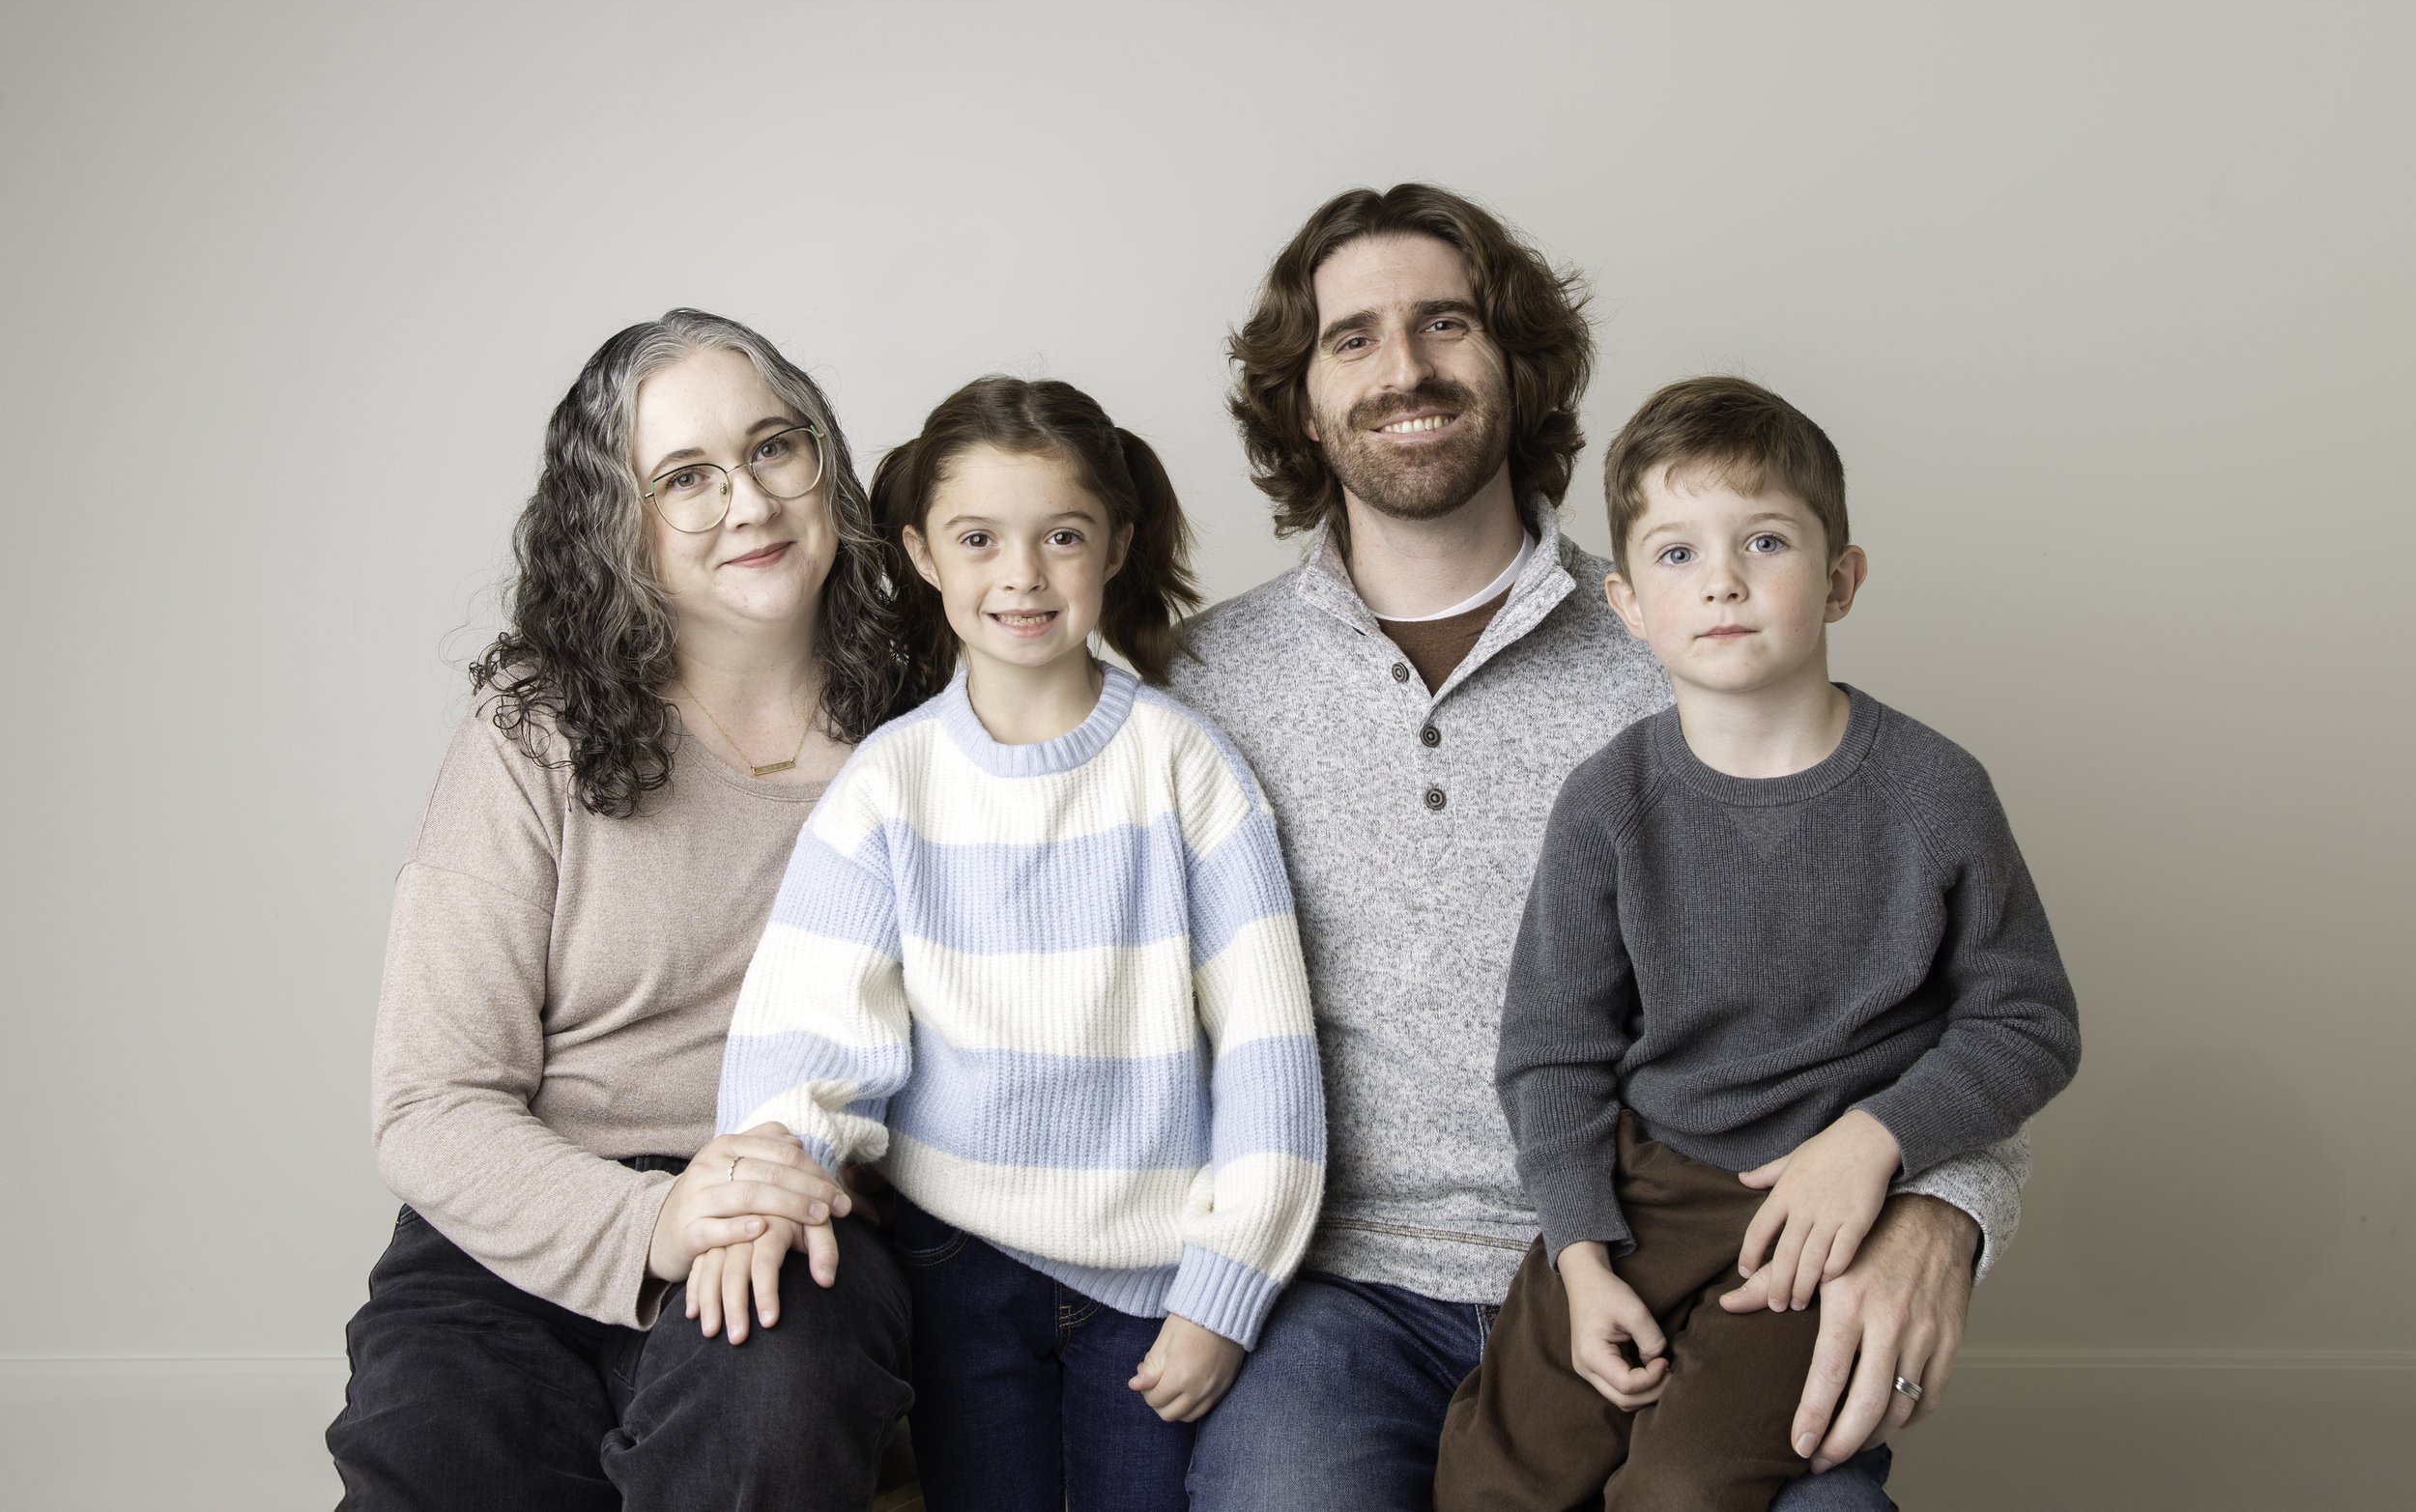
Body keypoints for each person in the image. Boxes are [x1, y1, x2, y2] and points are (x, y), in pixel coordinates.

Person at [1166, 185, 2033, 1512]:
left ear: (1520, 361)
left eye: (1446, 323)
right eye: (1352, 339)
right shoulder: (1210, 683)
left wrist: (1948, 1214)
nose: (1404, 367)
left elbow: (1940, 1000)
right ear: (1300, 400)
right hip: (1335, 1293)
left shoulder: (1693, 637)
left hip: (1696, 1267)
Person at [1431, 376, 2084, 1510]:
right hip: (1639, 1195)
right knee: (1492, 1478)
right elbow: (1550, 1047)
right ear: (1628, 605)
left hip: (1818, 1220)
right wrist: (1580, 1252)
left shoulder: (1932, 792)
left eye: (1764, 540)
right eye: (1677, 554)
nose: (1722, 579)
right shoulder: (1609, 799)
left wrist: (1876, 1138)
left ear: (1840, 580)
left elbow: (2027, 1022)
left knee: (1685, 1487)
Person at [327, 309, 917, 1511]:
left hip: (789, 1215)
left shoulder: (932, 729)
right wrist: (655, 1217)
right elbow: (429, 1101)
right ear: (621, 527)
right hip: (522, 1220)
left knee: (772, 1411)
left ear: (826, 464)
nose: (746, 503)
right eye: (685, 478)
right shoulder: (532, 732)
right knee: (438, 1457)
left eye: (773, 449)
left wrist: (760, 1189)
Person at [705, 376, 1327, 1512]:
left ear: (1117, 545)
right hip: (957, 1266)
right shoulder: (889, 783)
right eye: (978, 538)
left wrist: (1224, 1292)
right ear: (922, 551)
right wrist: (767, 1177)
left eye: (1063, 536)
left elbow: (1270, 1054)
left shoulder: (1186, 769)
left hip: (1156, 1278)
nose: (1022, 574)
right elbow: (805, 1027)